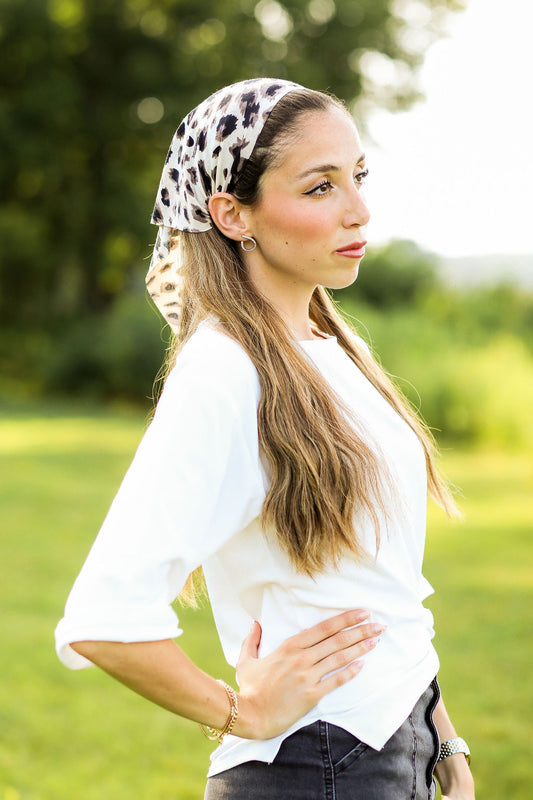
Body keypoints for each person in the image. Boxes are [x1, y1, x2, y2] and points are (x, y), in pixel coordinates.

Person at [55, 78, 475, 800]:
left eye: (357, 177)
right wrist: (240, 710)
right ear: (232, 214)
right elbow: (103, 618)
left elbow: (379, 582)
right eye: (319, 188)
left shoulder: (327, 347)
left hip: (392, 743)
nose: (358, 209)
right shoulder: (223, 370)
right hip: (318, 767)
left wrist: (439, 733)